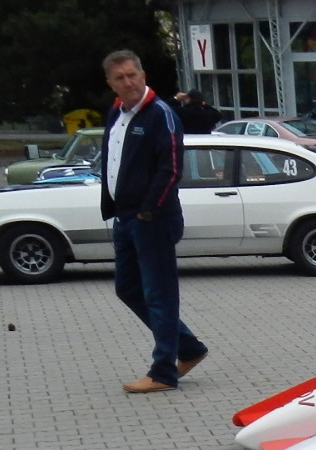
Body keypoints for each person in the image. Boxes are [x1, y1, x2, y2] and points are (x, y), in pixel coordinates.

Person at [99, 49, 209, 394]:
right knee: (127, 288)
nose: (128, 82)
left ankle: (163, 372)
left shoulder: (161, 114)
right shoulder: (117, 113)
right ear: (111, 83)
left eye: (132, 75)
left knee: (159, 296)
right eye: (120, 78)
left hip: (153, 219)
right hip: (125, 217)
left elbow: (171, 169)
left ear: (143, 75)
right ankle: (188, 348)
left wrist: (148, 210)